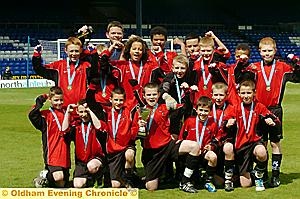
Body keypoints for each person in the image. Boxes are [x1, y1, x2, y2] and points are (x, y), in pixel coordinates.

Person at [245, 37, 300, 187]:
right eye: (264, 51)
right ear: (259, 51)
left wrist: (297, 62)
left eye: (270, 51)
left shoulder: (283, 67)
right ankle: (261, 174)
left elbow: (298, 77)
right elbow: (241, 80)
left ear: (275, 51)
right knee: (260, 144)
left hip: (275, 110)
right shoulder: (254, 67)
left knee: (275, 143)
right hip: (258, 110)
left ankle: (275, 176)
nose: (267, 54)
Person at [137, 82, 201, 193]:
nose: (151, 97)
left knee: (194, 146)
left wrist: (187, 93)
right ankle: (145, 178)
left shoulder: (165, 107)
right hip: (152, 152)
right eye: (149, 95)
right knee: (151, 187)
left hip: (168, 145)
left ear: (158, 95)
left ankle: (185, 182)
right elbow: (136, 135)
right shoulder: (141, 112)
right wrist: (139, 127)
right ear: (144, 96)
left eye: (154, 94)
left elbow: (184, 108)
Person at [223, 80, 279, 191]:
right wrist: (228, 124)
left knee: (262, 152)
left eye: (248, 93)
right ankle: (229, 179)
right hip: (240, 146)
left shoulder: (259, 106)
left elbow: (274, 118)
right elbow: (224, 123)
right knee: (245, 184)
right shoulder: (234, 108)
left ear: (254, 93)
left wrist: (271, 121)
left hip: (254, 144)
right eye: (243, 93)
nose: (246, 96)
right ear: (238, 93)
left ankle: (259, 177)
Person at [95, 87, 140, 188]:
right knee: (115, 185)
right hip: (112, 151)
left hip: (126, 146)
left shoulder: (128, 112)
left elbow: (134, 128)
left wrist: (130, 137)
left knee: (130, 154)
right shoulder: (106, 113)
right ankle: (118, 177)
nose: (118, 102)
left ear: (124, 100)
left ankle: (129, 177)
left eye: (121, 100)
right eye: (116, 100)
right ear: (111, 99)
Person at [28, 86, 71, 188]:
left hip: (64, 154)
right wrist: (42, 98)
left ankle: (45, 182)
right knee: (58, 177)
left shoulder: (67, 113)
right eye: (56, 100)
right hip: (52, 154)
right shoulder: (45, 115)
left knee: (61, 184)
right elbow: (32, 114)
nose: (59, 103)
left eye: (61, 100)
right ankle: (44, 175)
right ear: (50, 100)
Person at [32, 37, 91, 107]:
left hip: (81, 110)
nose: (74, 54)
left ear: (81, 50)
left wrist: (93, 54)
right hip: (62, 109)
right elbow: (40, 70)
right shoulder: (58, 66)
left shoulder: (86, 66)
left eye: (76, 51)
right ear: (66, 50)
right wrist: (36, 56)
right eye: (71, 51)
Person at [179, 96, 221, 192]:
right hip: (191, 155)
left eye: (206, 111)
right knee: (194, 181)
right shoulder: (189, 121)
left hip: (204, 153)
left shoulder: (213, 124)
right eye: (200, 110)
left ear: (210, 111)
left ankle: (208, 181)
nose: (202, 113)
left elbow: (217, 139)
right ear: (196, 110)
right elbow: (182, 138)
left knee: (213, 157)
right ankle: (186, 179)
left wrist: (211, 146)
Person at [61, 99, 105, 188]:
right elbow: (64, 131)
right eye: (81, 112)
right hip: (81, 162)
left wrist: (90, 110)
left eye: (86, 112)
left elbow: (99, 127)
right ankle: (90, 180)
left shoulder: (95, 123)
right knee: (77, 185)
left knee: (91, 166)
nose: (84, 115)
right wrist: (68, 113)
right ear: (77, 112)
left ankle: (101, 175)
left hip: (96, 158)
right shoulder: (76, 126)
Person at [191, 31, 231, 104]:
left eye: (209, 51)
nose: (206, 53)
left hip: (214, 98)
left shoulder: (217, 61)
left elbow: (227, 53)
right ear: (199, 50)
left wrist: (214, 37)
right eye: (203, 51)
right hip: (199, 97)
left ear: (213, 50)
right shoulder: (196, 63)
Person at [211, 82, 235, 191]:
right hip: (211, 141)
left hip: (225, 141)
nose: (218, 98)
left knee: (228, 147)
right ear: (211, 95)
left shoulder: (231, 108)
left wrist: (232, 121)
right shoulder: (208, 108)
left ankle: (228, 180)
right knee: (217, 182)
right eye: (216, 95)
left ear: (226, 95)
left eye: (221, 95)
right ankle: (205, 176)